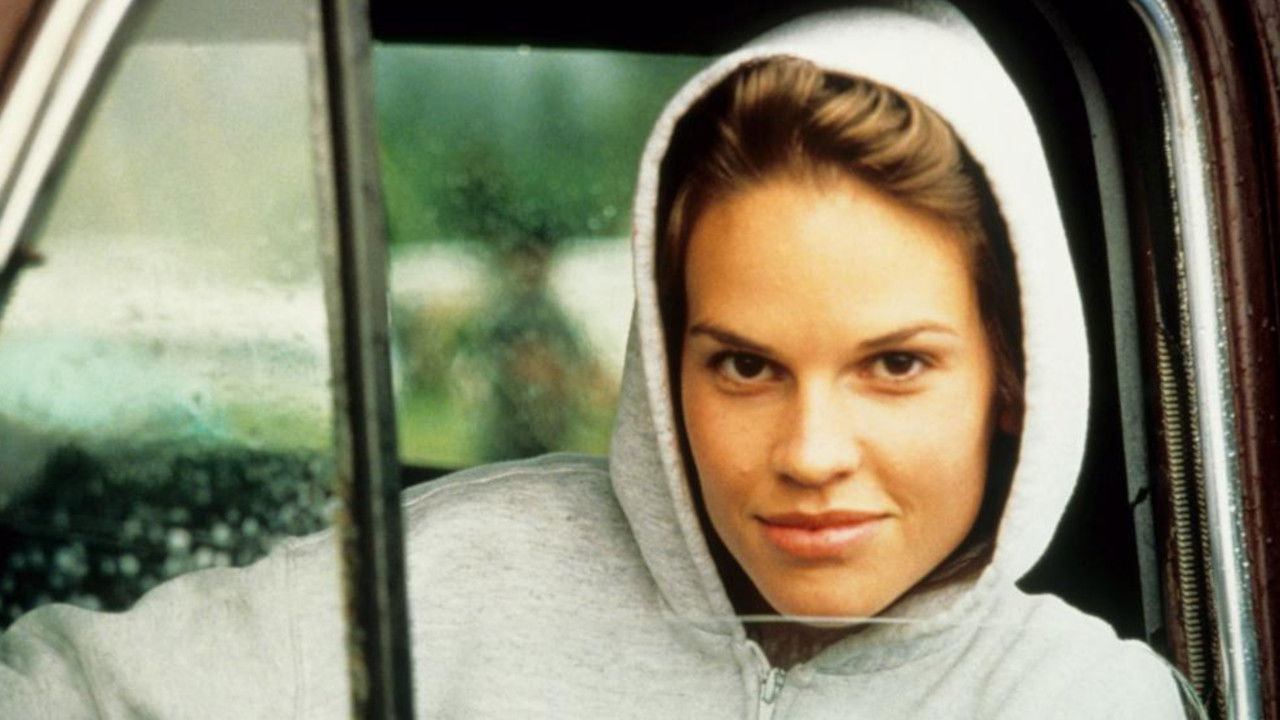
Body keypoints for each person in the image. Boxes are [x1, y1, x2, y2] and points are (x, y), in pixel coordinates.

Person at [0, 2, 1189, 718]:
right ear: (666, 365)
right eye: (743, 367)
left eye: (892, 366)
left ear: (1010, 378)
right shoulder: (457, 580)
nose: (809, 454)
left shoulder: (1078, 701)